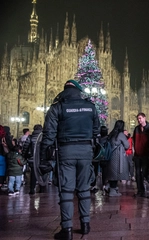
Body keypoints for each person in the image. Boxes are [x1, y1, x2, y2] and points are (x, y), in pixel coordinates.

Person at [40, 79, 100, 240]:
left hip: (66, 151)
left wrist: (44, 158)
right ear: (78, 90)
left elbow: (49, 134)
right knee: (84, 188)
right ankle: (85, 224)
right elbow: (97, 130)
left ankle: (66, 229)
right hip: (86, 151)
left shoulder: (57, 107)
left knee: (66, 190)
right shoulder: (90, 106)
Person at [105, 120, 130, 196]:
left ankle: (109, 187)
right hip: (118, 157)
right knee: (117, 173)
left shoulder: (111, 134)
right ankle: (112, 191)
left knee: (112, 174)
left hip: (110, 157)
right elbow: (127, 145)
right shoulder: (120, 135)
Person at [132, 113, 149, 197]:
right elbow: (134, 140)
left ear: (145, 118)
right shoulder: (136, 129)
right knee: (137, 174)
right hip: (137, 155)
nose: (139, 120)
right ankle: (140, 191)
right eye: (138, 119)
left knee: (145, 173)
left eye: (140, 118)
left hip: (146, 155)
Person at [22, 124, 43, 194]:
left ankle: (32, 189)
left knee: (33, 174)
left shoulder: (30, 137)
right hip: (41, 158)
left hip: (32, 158)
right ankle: (42, 188)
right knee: (42, 173)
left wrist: (24, 156)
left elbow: (25, 147)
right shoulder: (44, 137)